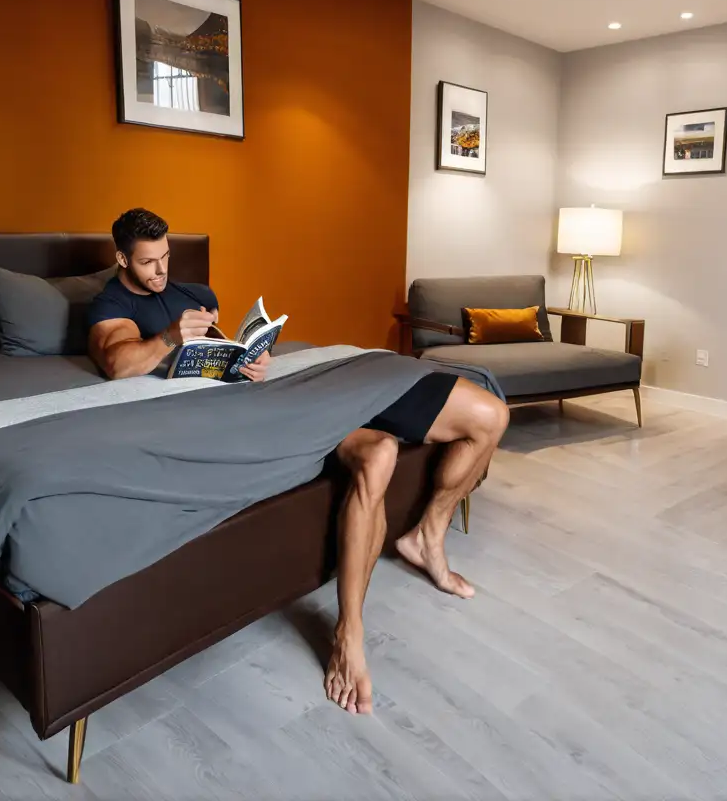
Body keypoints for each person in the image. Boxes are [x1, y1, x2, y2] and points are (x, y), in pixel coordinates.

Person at [87, 208, 509, 715]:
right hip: (246, 413)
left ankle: (427, 537)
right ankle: (349, 633)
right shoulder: (109, 303)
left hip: (275, 390)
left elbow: (225, 354)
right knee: (380, 452)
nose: (160, 272)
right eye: (148, 262)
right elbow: (116, 363)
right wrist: (171, 337)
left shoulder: (195, 293)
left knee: (490, 414)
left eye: (166, 258)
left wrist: (251, 358)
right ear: (121, 259)